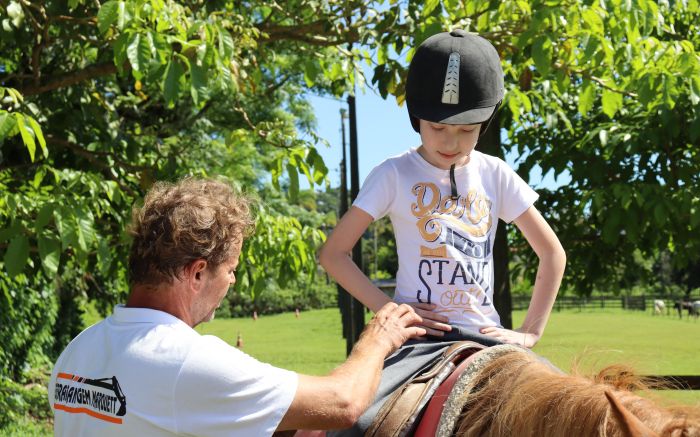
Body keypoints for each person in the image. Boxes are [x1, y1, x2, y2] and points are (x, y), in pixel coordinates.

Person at [48, 178, 426, 437]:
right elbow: (342, 403)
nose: (232, 281)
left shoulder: (78, 350)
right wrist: (378, 338)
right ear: (197, 273)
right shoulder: (184, 360)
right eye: (230, 269)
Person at [320, 29, 566, 349]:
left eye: (467, 129)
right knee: (366, 399)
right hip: (417, 339)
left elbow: (552, 252)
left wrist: (530, 332)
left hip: (485, 338)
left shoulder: (496, 174)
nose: (451, 142)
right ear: (415, 117)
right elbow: (333, 254)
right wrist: (389, 310)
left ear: (486, 123)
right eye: (437, 127)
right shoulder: (393, 174)